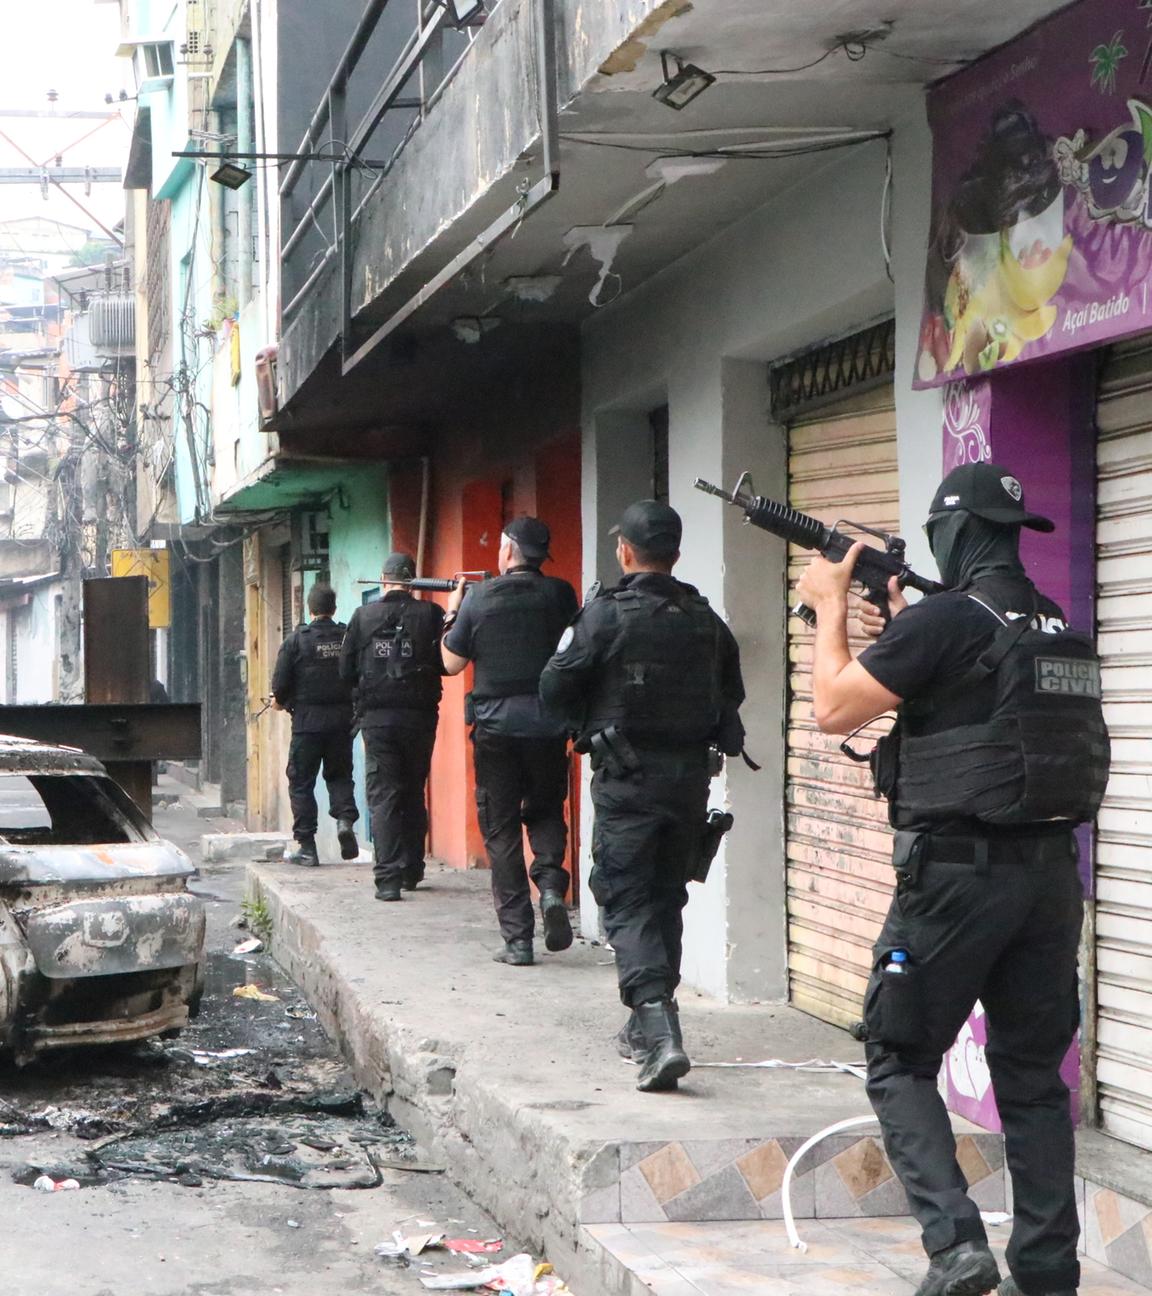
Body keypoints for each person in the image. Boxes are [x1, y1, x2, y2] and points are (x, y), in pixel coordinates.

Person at [795, 462, 1109, 1296]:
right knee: (1033, 1080)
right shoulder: (1054, 623)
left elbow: (834, 709)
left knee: (899, 1057)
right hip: (1048, 881)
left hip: (955, 880)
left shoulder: (945, 621)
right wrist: (906, 625)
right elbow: (982, 701)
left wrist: (829, 608)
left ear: (950, 533)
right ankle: (1047, 1270)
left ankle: (957, 1245)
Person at [539, 500, 746, 1092]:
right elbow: (731, 695)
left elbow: (553, 687)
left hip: (628, 782)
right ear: (675, 553)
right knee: (665, 898)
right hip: (688, 784)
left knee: (626, 901)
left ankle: (658, 1031)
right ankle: (645, 1025)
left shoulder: (605, 616)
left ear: (625, 552)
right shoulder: (706, 620)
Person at [441, 516, 578, 966]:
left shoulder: (479, 599)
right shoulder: (561, 595)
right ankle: (551, 887)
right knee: (546, 810)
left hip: (495, 730)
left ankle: (518, 941)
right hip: (548, 726)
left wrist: (452, 613)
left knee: (500, 830)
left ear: (505, 551)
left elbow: (451, 664)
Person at [340, 553, 446, 902]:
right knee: (413, 790)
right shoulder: (431, 614)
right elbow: (446, 662)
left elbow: (345, 670)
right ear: (412, 580)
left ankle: (387, 880)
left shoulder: (362, 616)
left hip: (378, 720)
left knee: (384, 794)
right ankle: (411, 870)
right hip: (420, 719)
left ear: (383, 580)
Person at [271, 582, 359, 868]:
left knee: (301, 783)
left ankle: (307, 847)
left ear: (309, 609)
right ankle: (345, 821)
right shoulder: (347, 637)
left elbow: (280, 687)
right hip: (342, 723)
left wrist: (279, 701)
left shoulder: (296, 641)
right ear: (334, 609)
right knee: (340, 776)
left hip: (307, 725)